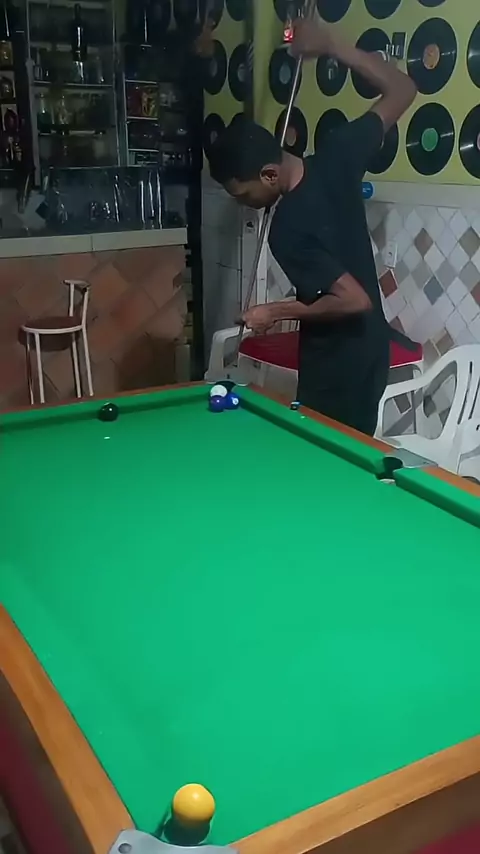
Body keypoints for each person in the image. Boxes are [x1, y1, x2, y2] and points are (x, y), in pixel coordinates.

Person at [207, 18, 417, 436]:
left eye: (243, 195)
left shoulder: (286, 228)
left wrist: (274, 311)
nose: (246, 205)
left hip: (337, 367)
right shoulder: (339, 151)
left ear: (269, 174)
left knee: (326, 465)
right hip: (371, 352)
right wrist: (334, 46)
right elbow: (404, 89)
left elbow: (354, 300)